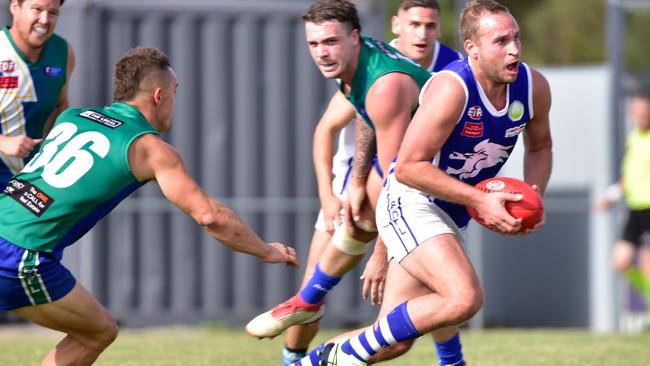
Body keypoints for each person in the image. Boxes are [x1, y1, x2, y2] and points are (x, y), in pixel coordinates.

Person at [0, 46, 299, 366]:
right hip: (21, 253)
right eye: (175, 92)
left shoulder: (71, 117)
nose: (174, 100)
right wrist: (268, 250)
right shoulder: (150, 149)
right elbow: (210, 216)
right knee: (97, 331)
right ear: (159, 95)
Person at [293, 0, 553, 364]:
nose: (514, 49)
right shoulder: (452, 89)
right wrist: (479, 201)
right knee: (464, 297)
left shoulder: (532, 86)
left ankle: (313, 362)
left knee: (394, 341)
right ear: (472, 49)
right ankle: (350, 347)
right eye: (500, 41)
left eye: (515, 38)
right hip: (411, 200)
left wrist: (534, 194)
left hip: (447, 210)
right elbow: (408, 168)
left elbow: (540, 145)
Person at [275, 1, 466, 365]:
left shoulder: (439, 72)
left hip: (410, 191)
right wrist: (336, 192)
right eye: (413, 24)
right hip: (364, 186)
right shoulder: (363, 59)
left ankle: (451, 360)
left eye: (429, 25)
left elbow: (397, 172)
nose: (421, 33)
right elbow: (338, 129)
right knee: (432, 301)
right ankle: (295, 348)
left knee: (437, 299)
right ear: (396, 25)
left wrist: (383, 249)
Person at [0, 0, 74, 189]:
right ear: (15, 6)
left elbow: (60, 104)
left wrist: (52, 147)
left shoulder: (63, 52)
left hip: (29, 186)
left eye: (53, 13)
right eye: (37, 9)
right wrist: (3, 142)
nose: (44, 20)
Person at [594, 89, 650, 314]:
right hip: (635, 209)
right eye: (635, 110)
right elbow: (630, 175)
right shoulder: (634, 137)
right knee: (620, 262)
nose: (639, 114)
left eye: (643, 110)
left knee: (647, 266)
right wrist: (611, 195)